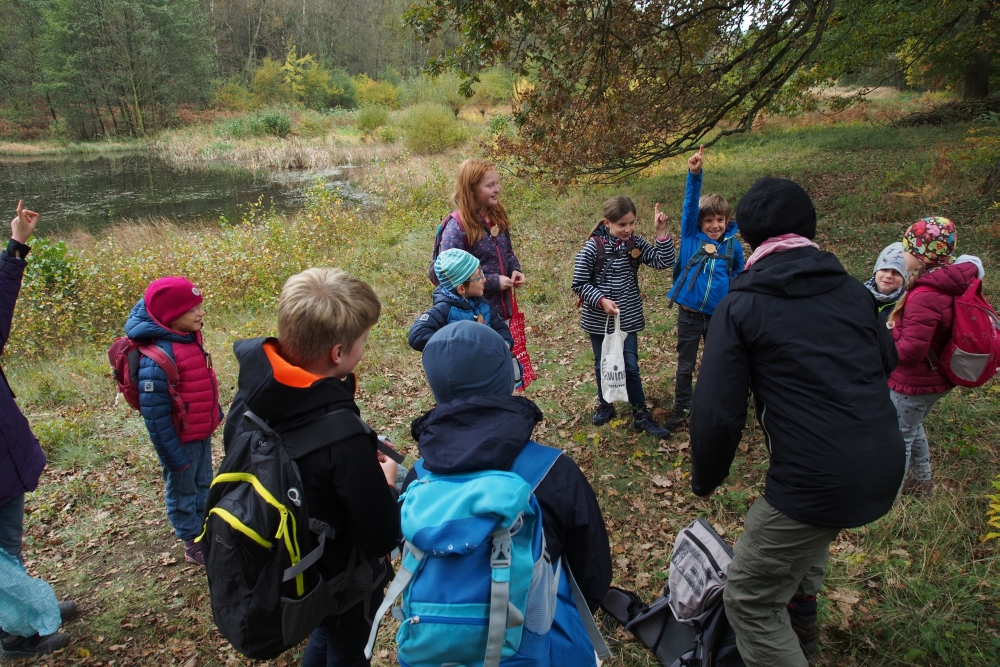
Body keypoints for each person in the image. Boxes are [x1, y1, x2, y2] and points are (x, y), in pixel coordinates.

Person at [689, 177, 904, 667]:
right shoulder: (853, 291)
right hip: (885, 459)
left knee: (748, 598)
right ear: (810, 227)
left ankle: (789, 639)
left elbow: (717, 413)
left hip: (815, 476)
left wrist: (707, 478)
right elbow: (886, 360)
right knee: (806, 534)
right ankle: (802, 630)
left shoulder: (740, 305)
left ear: (749, 239)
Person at [404, 321, 612, 664]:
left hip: (442, 650)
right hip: (541, 644)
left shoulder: (418, 478)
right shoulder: (552, 471)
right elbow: (593, 573)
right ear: (507, 379)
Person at [222, 267, 400, 667]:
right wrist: (386, 483)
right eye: (363, 342)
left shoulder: (252, 391)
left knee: (324, 627)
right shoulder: (342, 435)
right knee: (349, 647)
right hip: (339, 575)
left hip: (292, 559)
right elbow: (381, 534)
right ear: (338, 353)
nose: (363, 349)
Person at [0, 200, 78, 658]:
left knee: (7, 544)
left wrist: (16, 247)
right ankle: (17, 633)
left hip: (4, 454)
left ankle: (25, 608)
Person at [125, 276, 223, 567]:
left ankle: (205, 527)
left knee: (205, 481)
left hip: (199, 432)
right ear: (171, 315)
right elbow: (156, 417)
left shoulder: (187, 338)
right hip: (178, 441)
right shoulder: (156, 359)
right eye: (192, 309)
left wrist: (213, 416)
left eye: (200, 306)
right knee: (183, 489)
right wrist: (172, 455)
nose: (201, 313)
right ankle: (191, 541)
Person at [887, 217, 984, 496]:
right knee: (913, 428)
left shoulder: (925, 294)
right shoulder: (954, 280)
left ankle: (888, 499)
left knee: (900, 437)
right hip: (937, 374)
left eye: (906, 248)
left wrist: (890, 335)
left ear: (921, 254)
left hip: (915, 380)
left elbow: (910, 351)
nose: (901, 255)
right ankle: (921, 483)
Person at [571, 195, 675, 437]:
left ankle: (640, 413)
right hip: (599, 319)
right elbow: (579, 283)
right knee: (603, 363)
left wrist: (661, 233)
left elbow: (663, 261)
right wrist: (601, 300)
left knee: (630, 365)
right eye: (622, 225)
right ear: (607, 222)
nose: (628, 229)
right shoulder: (592, 247)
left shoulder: (634, 244)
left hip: (627, 317)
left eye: (631, 223)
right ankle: (605, 404)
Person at [664, 145, 745, 432]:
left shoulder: (732, 243)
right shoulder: (690, 236)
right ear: (700, 222)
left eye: (720, 220)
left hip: (718, 317)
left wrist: (730, 291)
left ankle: (712, 406)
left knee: (715, 366)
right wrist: (694, 173)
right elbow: (690, 202)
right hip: (688, 315)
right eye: (709, 220)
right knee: (685, 366)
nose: (715, 225)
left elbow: (739, 271)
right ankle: (682, 406)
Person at [437, 158, 525, 321]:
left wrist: (515, 269)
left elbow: (507, 252)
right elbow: (451, 278)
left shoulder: (496, 214)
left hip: (504, 310)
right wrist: (493, 281)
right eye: (490, 185)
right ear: (471, 189)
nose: (497, 189)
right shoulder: (456, 228)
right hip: (476, 316)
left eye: (497, 183)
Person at [408, 248, 513, 352]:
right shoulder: (444, 310)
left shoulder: (484, 306)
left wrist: (505, 343)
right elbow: (416, 335)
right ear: (462, 288)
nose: (484, 279)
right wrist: (453, 346)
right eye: (479, 277)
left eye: (482, 273)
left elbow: (501, 329)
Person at [864, 241, 909, 323]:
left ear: (905, 277)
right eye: (884, 269)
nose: (889, 276)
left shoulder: (906, 302)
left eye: (896, 272)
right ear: (876, 271)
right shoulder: (860, 294)